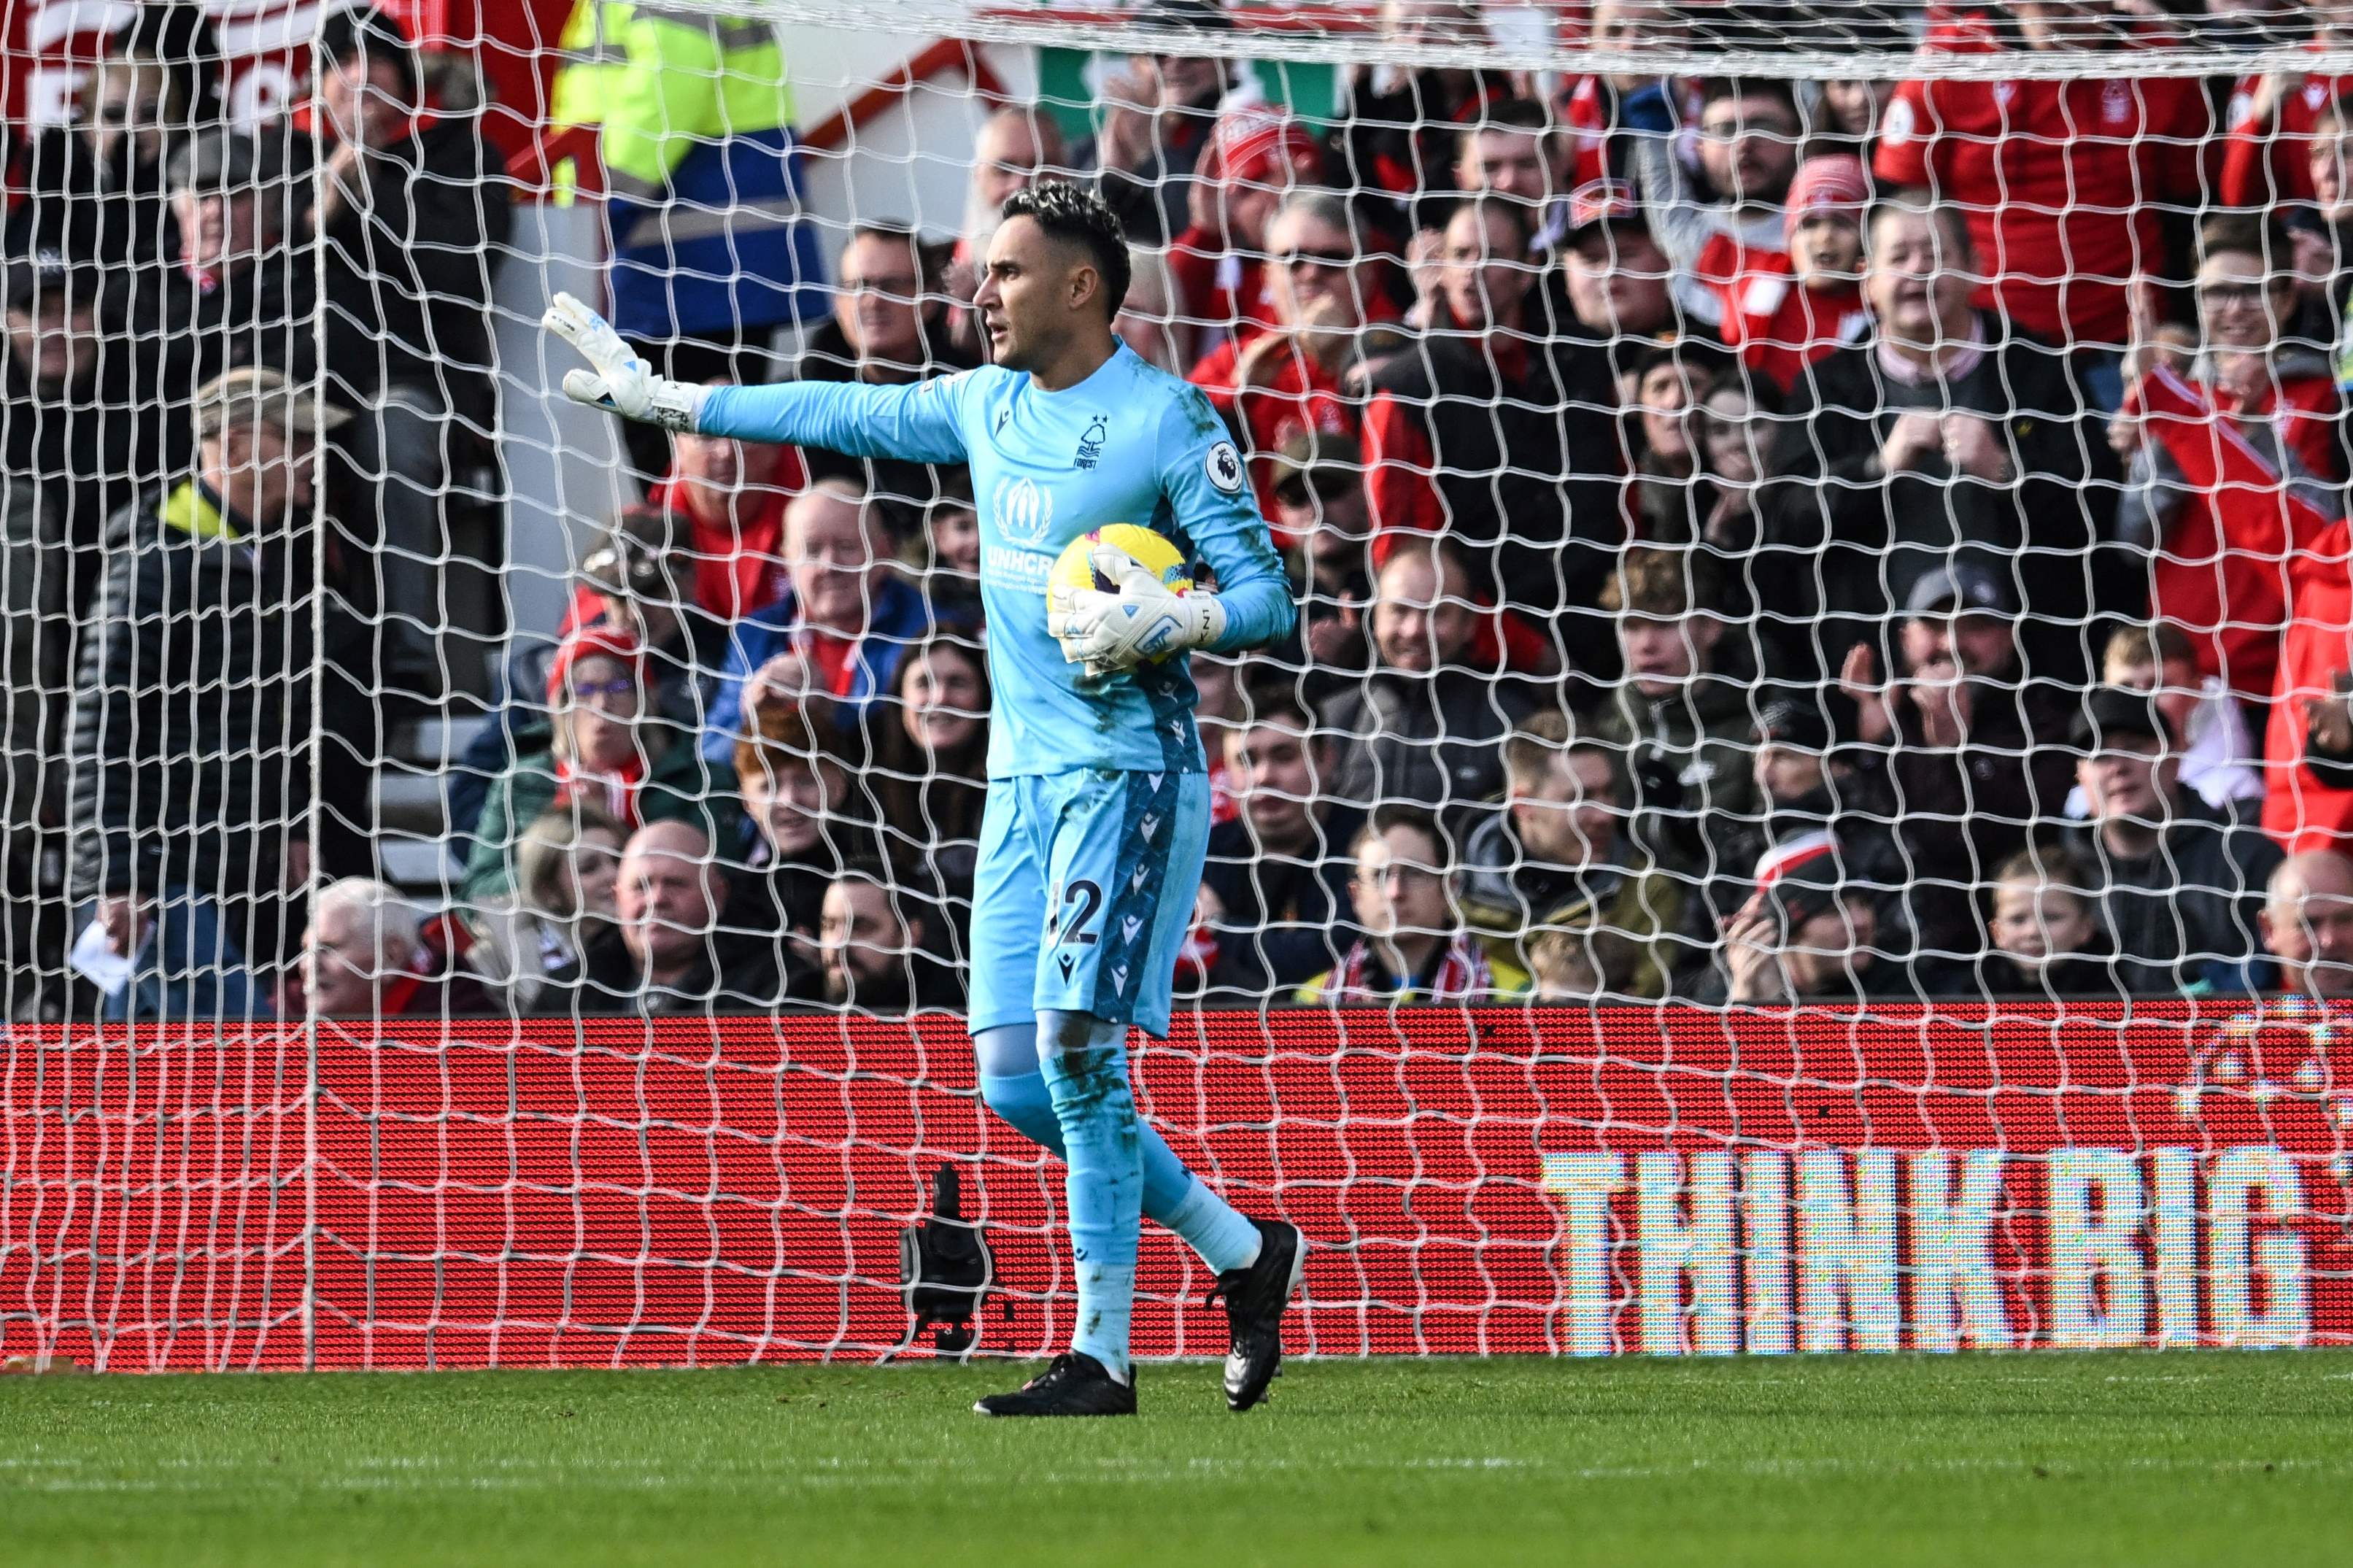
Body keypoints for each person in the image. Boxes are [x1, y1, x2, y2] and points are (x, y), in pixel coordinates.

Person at [546, 179, 1305, 1416]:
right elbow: (834, 402)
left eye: (1005, 271)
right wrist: (673, 398)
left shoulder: (1169, 421)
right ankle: (1244, 1250)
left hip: (1128, 779)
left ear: (1080, 285)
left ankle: (1102, 1355)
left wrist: (1184, 615)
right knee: (1014, 1077)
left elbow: (1269, 600)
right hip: (1017, 788)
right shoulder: (983, 406)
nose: (979, 291)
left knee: (1076, 1049)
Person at [65, 367, 350, 1022]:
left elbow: (267, 718)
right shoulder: (151, 561)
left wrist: (290, 822)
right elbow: (100, 727)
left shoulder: (270, 557)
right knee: (208, 1087)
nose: (316, 460)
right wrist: (117, 878)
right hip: (160, 885)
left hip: (237, 877)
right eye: (301, 440)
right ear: (245, 445)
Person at [1766, 198, 2115, 678]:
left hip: (2034, 680)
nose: (1917, 273)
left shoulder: (2041, 371)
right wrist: (1874, 471)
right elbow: (1785, 522)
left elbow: (2099, 512)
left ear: (1973, 269)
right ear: (1867, 279)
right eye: (1899, 258)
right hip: (1873, 683)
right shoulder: (1826, 387)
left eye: (1933, 256)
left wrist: (2006, 472)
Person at [546, 3, 827, 487]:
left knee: (692, 466)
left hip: (685, 265)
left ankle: (695, 562)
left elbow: (670, 81)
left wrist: (597, 203)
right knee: (710, 461)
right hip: (700, 263)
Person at [304, 4, 511, 653]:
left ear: (406, 80)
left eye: (378, 63)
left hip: (419, 386)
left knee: (393, 434)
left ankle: (407, 653)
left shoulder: (459, 153)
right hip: (307, 383)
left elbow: (457, 270)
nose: (360, 78)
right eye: (342, 64)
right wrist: (326, 192)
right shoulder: (288, 158)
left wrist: (365, 184)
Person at [2117, 212, 2346, 704]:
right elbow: (2134, 539)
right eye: (2216, 293)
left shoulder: (2321, 398)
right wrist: (2172, 425)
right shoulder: (2176, 398)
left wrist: (2255, 440)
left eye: (2253, 290)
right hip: (2177, 681)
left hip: (2281, 677)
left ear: (2285, 299)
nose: (2234, 308)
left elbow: (2330, 535)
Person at [461, 626, 727, 907]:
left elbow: (721, 876)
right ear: (561, 707)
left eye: (619, 687)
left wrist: (608, 828)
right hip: (550, 938)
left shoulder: (699, 781)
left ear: (644, 701)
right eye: (584, 690)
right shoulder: (524, 780)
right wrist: (559, 868)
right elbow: (478, 888)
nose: (602, 703)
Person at [2063, 687, 2284, 995]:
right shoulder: (2056, 873)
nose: (2118, 767)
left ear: (2175, 755)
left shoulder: (2247, 860)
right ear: (2079, 774)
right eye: (2101, 756)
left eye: (2135, 748)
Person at [1460, 711, 1694, 998]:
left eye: (1608, 792)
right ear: (1523, 805)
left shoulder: (1647, 895)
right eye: (1580, 798)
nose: (1605, 815)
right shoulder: (1451, 891)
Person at [1319, 535, 1534, 839]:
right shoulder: (1331, 721)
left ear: (1469, 623)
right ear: (1375, 617)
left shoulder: (1510, 723)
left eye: (1437, 612)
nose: (1414, 630)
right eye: (1399, 610)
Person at [703, 480, 934, 761]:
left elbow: (915, 752)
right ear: (786, 559)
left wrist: (829, 712)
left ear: (884, 551)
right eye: (812, 550)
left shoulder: (928, 631)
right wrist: (752, 715)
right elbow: (710, 755)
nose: (829, 566)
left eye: (847, 547)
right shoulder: (755, 633)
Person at [1188, 192, 1374, 525]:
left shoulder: (1396, 353)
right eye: (1293, 261)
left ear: (1366, 273)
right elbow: (1177, 457)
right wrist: (1240, 396)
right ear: (1266, 276)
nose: (1312, 273)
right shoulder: (1231, 364)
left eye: (1332, 260)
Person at [793, 224, 981, 533]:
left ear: (929, 300)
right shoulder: (803, 395)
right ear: (839, 301)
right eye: (858, 286)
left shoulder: (968, 392)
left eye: (890, 286)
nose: (872, 301)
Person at [1590, 547, 1759, 882]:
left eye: (1664, 624)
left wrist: (1687, 828)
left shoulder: (1757, 732)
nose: (1646, 645)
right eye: (1632, 626)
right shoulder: (1600, 733)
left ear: (1711, 627)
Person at [1196, 687, 1364, 999]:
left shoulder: (1365, 847)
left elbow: (1321, 959)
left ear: (1325, 758)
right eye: (1247, 761)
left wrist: (1221, 926)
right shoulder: (1205, 855)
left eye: (1284, 756)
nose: (1264, 776)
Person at [537, 818, 792, 1016]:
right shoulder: (568, 994)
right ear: (618, 900)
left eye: (676, 884)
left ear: (718, 897)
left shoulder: (775, 987)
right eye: (641, 886)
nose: (657, 899)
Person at [1296, 808, 1529, 1005]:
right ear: (1355, 896)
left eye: (1415, 873)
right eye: (1379, 876)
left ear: (1449, 888)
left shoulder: (1516, 995)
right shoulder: (1313, 1000)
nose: (1396, 892)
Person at [866, 633, 992, 914]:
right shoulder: (869, 792)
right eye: (924, 683)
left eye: (957, 683)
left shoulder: (1005, 795)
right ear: (901, 696)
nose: (940, 698)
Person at [463, 804, 626, 1013]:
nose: (614, 874)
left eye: (619, 860)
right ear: (548, 890)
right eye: (589, 868)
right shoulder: (492, 962)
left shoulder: (661, 943)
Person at [1937, 847, 2123, 1000]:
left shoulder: (2114, 994)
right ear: (1996, 932)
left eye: (2051, 917)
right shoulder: (1969, 996)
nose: (2033, 932)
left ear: (2085, 927)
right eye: (2017, 920)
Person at [295, 877, 483, 1019]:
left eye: (330, 948)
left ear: (391, 956)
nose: (308, 964)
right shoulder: (287, 1006)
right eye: (306, 950)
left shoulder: (459, 1027)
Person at [816, 862, 955, 1012]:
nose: (839, 943)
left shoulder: (951, 1013)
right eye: (829, 926)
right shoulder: (795, 998)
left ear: (910, 934)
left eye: (860, 927)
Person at [2260, 850, 2353, 999]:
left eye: (2345, 920)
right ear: (2269, 929)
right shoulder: (2238, 1020)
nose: (2329, 940)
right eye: (2308, 924)